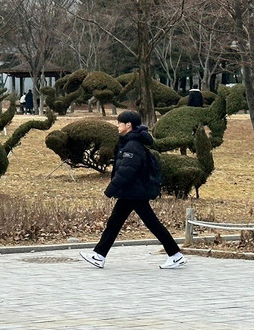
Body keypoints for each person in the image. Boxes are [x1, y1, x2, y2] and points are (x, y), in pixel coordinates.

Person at [79, 110, 186, 270]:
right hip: (131, 192)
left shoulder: (133, 145)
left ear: (128, 125)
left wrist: (109, 190)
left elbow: (126, 171)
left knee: (149, 223)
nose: (117, 126)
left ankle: (175, 255)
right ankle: (99, 255)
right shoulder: (130, 142)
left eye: (119, 123)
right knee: (115, 223)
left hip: (134, 192)